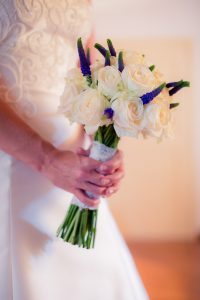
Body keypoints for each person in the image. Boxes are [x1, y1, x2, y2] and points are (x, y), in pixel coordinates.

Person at [0, 1, 149, 299]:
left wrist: (102, 146)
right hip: (13, 154)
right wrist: (47, 160)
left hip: (75, 164)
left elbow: (88, 76)